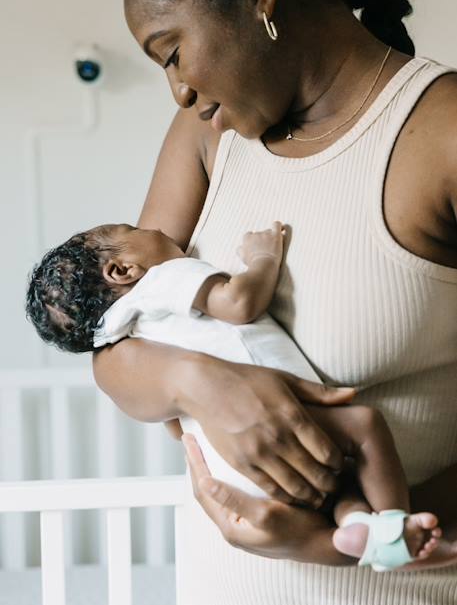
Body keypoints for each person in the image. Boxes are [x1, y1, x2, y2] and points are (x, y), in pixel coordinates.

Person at [92, 0, 457, 602]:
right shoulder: (206, 135)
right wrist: (200, 384)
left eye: (173, 54)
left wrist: (327, 541)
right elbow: (115, 345)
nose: (179, 92)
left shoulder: (441, 131)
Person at [25, 220, 441, 570]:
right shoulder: (162, 280)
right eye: (133, 228)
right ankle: (394, 527)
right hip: (284, 427)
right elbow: (239, 302)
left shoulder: (125, 331)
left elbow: (172, 424)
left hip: (234, 470)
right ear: (122, 270)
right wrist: (264, 258)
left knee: (342, 487)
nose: (151, 226)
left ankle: (358, 528)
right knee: (365, 426)